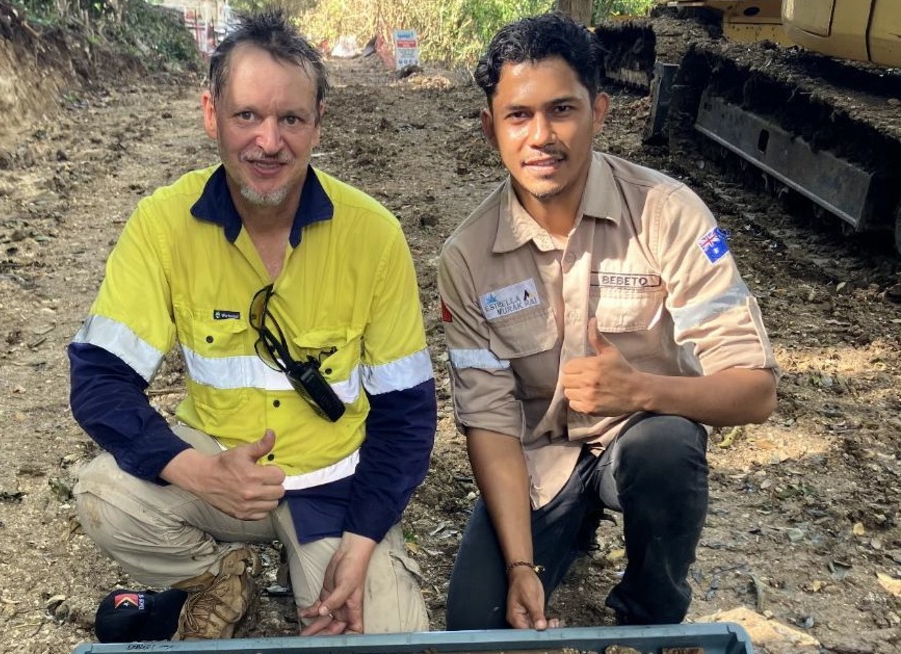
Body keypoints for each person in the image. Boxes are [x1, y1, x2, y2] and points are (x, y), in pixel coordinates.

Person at [68, 11, 436, 641]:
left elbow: (407, 412)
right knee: (103, 494)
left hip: (334, 485)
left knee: (392, 637)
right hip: (218, 470)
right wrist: (198, 471)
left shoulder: (374, 236)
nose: (269, 142)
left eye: (290, 118)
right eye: (247, 116)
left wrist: (362, 539)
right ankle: (219, 574)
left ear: (318, 122)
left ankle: (321, 567)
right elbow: (100, 381)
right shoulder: (163, 224)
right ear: (212, 115)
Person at [439, 12, 779, 631]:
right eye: (519, 116)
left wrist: (642, 391)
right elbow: (487, 421)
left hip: (639, 443)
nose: (541, 135)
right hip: (538, 456)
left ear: (599, 112)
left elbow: (755, 390)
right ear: (491, 130)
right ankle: (564, 529)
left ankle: (649, 616)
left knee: (666, 448)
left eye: (562, 110)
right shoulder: (467, 258)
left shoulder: (667, 214)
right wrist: (520, 566)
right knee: (473, 624)